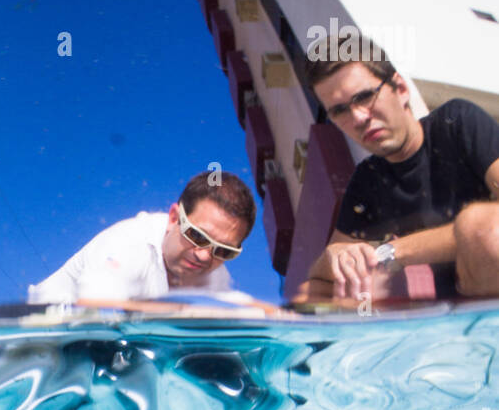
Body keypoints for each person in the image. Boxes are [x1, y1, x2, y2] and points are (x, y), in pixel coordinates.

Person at [298, 41, 499, 303]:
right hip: (457, 316)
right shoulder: (367, 181)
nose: (358, 118)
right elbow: (321, 280)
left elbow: (487, 231)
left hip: (484, 298)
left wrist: (392, 252)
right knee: (316, 295)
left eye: (364, 97)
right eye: (339, 110)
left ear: (401, 89)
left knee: (481, 227)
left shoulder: (457, 122)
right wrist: (333, 256)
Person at [28, 172, 257, 305]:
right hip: (35, 341)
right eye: (197, 235)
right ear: (173, 218)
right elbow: (97, 307)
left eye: (224, 251)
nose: (204, 255)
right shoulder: (128, 244)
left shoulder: (215, 272)